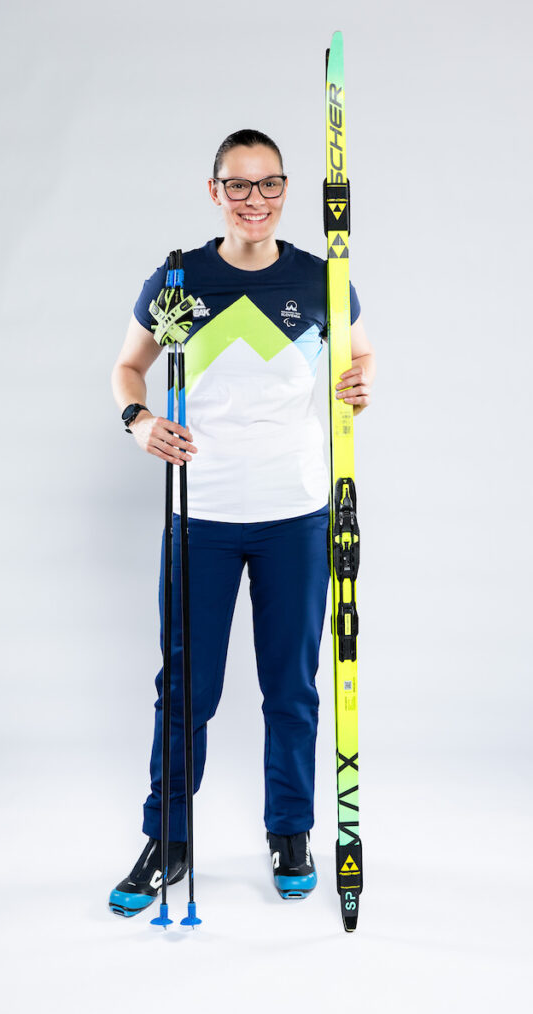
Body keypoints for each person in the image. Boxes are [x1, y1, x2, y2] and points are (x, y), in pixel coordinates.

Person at [109, 129, 376, 917]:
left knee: (291, 688)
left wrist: (359, 383)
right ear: (214, 190)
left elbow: (360, 358)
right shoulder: (178, 279)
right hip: (202, 515)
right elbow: (128, 366)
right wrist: (137, 420)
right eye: (238, 185)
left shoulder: (322, 279)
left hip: (295, 515)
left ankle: (289, 833)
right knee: (185, 691)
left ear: (286, 190)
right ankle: (168, 839)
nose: (254, 200)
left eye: (269, 184)